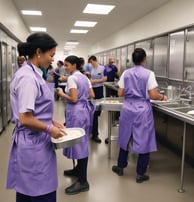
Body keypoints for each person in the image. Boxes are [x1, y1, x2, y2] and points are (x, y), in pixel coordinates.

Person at [6, 32, 66, 202]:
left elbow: (35, 109)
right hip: (33, 145)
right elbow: (25, 118)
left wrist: (51, 120)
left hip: (35, 142)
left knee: (27, 191)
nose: (52, 59)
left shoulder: (33, 73)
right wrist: (49, 128)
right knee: (40, 192)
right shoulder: (28, 79)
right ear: (39, 52)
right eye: (51, 55)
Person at [112, 48, 168, 183]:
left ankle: (120, 166)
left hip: (127, 108)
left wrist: (132, 91)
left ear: (133, 59)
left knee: (125, 137)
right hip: (142, 110)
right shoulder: (149, 74)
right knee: (144, 139)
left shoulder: (126, 73)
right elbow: (153, 95)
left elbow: (120, 93)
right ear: (144, 59)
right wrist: (163, 97)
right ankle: (140, 173)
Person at [57, 55, 95, 195]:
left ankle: (83, 181)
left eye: (67, 65)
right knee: (80, 141)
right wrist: (82, 98)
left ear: (74, 65)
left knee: (79, 144)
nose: (65, 68)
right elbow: (91, 94)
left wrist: (61, 93)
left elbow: (73, 98)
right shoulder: (84, 77)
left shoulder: (72, 78)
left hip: (76, 112)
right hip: (84, 112)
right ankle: (78, 169)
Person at [88, 55, 107, 143]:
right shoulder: (92, 69)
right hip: (92, 90)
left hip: (99, 90)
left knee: (98, 110)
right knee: (94, 112)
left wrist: (95, 81)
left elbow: (104, 79)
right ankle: (94, 133)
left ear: (95, 60)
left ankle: (94, 132)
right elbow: (90, 78)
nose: (91, 64)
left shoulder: (102, 68)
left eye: (91, 62)